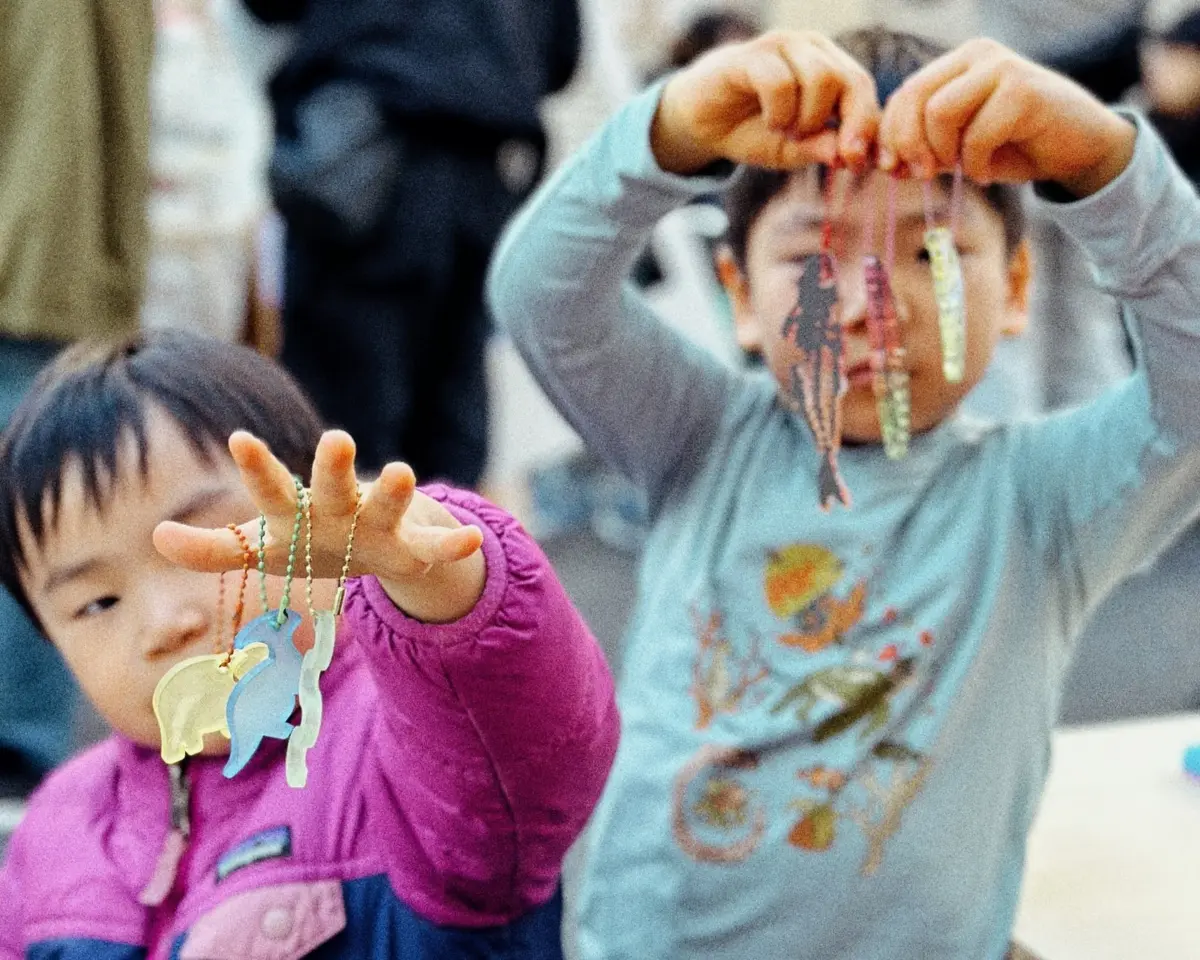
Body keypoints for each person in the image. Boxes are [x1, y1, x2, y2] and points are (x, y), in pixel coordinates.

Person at [488, 24, 1200, 958]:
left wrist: (1107, 167)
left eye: (931, 256)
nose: (872, 305)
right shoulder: (699, 434)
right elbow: (542, 296)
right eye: (816, 263)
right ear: (740, 295)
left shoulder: (1044, 503)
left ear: (1017, 285)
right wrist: (672, 131)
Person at [0, 331, 619, 956]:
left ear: (318, 519)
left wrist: (430, 573)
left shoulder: (416, 747)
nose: (166, 624)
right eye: (97, 602)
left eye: (216, 550)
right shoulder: (56, 826)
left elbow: (517, 735)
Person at [241, 0, 582, 488]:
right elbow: (562, 56)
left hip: (371, 161)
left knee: (344, 429)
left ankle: (366, 536)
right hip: (487, 169)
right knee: (450, 413)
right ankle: (443, 532)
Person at [0, 0, 154, 797]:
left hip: (38, 270)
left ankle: (22, 755)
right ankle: (25, 757)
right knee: (48, 517)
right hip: (63, 271)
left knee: (40, 518)